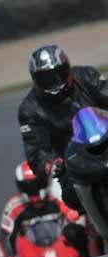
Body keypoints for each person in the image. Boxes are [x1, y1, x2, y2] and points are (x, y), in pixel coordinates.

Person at [18, 44, 108, 211]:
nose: (53, 82)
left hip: (105, 143)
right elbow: (35, 151)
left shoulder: (86, 76)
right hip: (73, 163)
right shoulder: (30, 109)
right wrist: (51, 164)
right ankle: (91, 230)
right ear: (36, 80)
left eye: (57, 75)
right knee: (71, 203)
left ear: (67, 70)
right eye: (46, 79)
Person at [0, 161, 88, 257]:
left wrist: (77, 229)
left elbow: (77, 218)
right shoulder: (15, 206)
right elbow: (3, 239)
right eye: (28, 187)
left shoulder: (56, 196)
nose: (34, 191)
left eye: (37, 185)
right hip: (29, 255)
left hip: (62, 248)